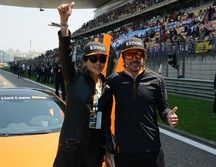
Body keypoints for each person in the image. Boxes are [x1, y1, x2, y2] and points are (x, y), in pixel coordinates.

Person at [103, 37, 179, 167]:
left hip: (152, 149)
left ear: (144, 56)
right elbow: (104, 114)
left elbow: (163, 108)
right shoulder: (113, 81)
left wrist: (168, 116)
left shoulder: (157, 80)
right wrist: (106, 144)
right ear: (123, 58)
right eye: (129, 54)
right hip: (124, 151)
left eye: (138, 54)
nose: (134, 58)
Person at [53, 2, 110, 167]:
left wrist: (108, 148)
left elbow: (105, 122)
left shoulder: (107, 87)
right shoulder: (74, 78)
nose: (98, 63)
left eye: (102, 59)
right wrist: (64, 23)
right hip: (71, 149)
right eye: (93, 58)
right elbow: (65, 52)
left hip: (94, 152)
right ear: (84, 61)